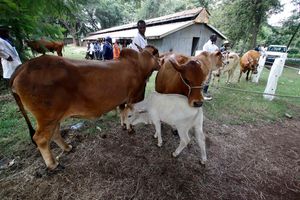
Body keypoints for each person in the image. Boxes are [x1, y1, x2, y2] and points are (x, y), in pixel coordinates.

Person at [202, 34, 219, 101]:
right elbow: (205, 54)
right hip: (206, 63)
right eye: (214, 40)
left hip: (211, 64)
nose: (215, 41)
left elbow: (217, 52)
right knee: (205, 77)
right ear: (212, 39)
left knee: (209, 77)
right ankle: (201, 90)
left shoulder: (215, 46)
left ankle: (205, 91)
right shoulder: (206, 45)